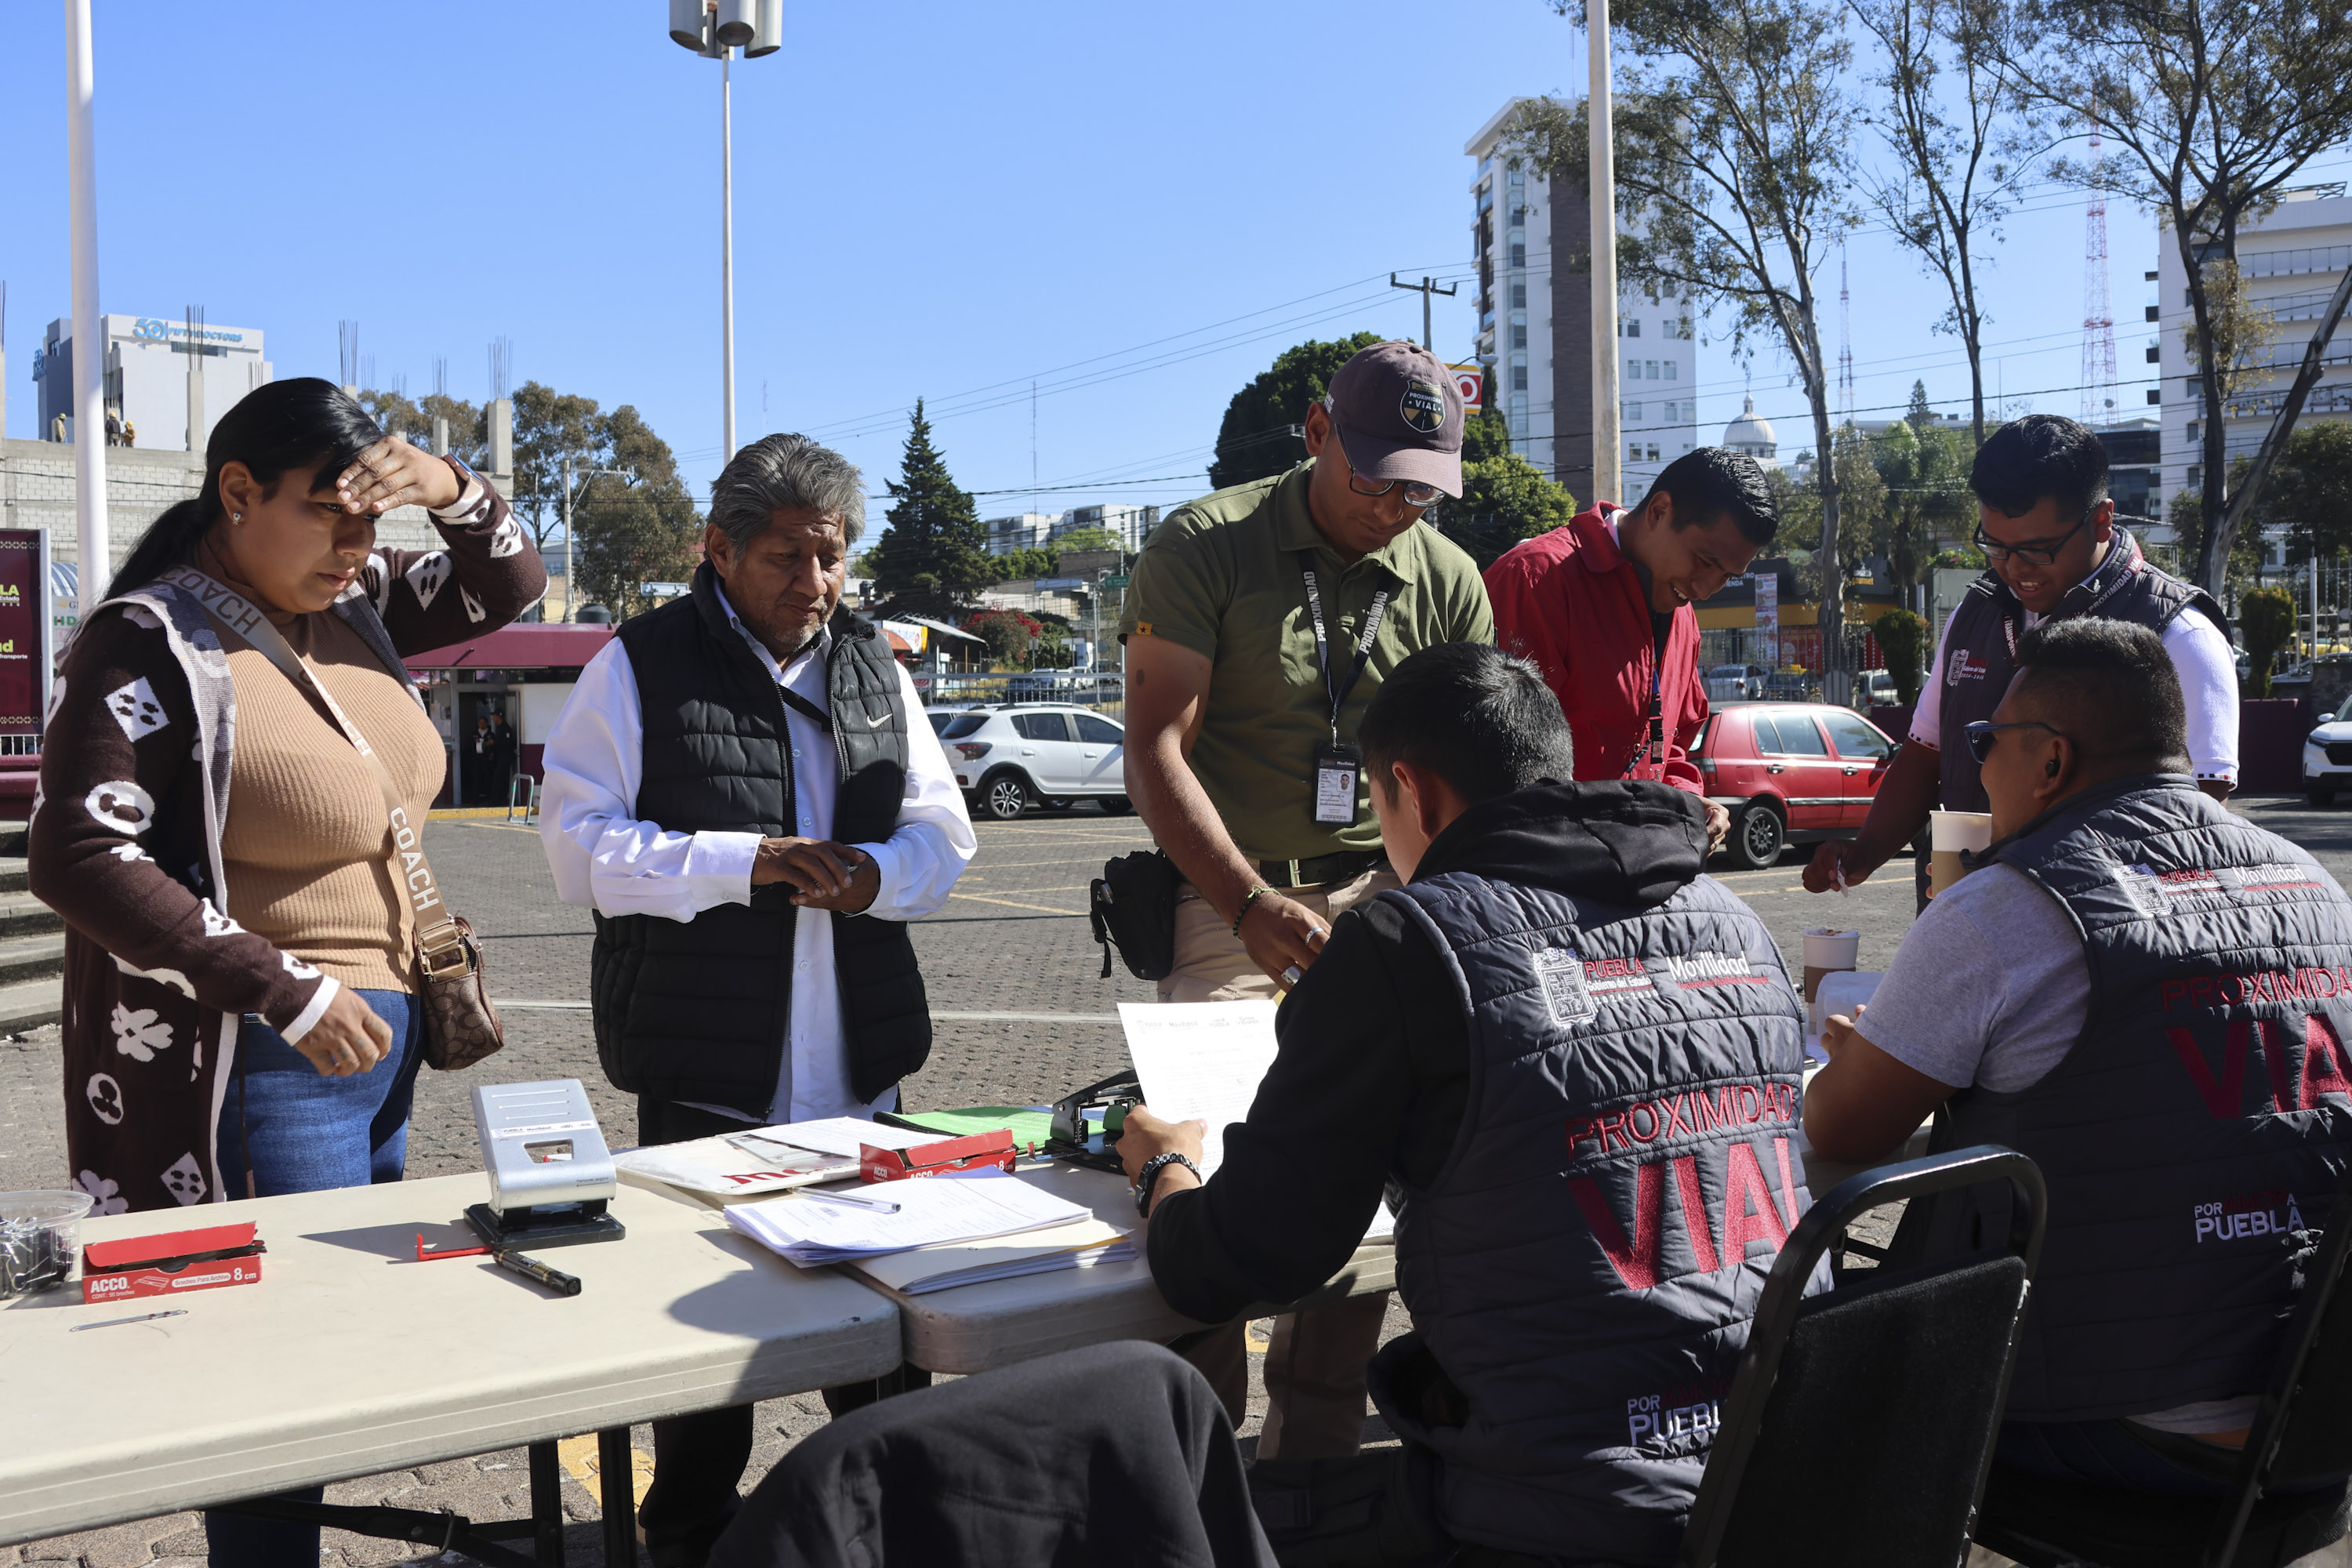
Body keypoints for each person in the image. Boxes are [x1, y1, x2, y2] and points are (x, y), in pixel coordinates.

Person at [1120, 642, 1815, 1564]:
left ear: (1411, 789)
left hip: (1555, 1514)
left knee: (1199, 1524)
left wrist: (1163, 1170)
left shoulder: (1407, 940)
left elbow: (1245, 1255)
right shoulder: (1734, 916)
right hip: (1788, 1477)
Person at [30, 377, 546, 1566]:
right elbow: (75, 852)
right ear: (238, 492)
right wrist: (284, 987)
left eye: (372, 521)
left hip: (386, 1036)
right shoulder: (151, 637)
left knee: (322, 1358)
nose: (357, 546)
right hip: (263, 1054)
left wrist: (447, 486)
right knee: (276, 1376)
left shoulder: (355, 601)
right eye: (329, 513)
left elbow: (505, 583)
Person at [538, 431, 976, 1568]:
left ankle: (885, 1532)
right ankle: (686, 1537)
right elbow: (578, 851)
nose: (815, 584)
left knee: (882, 1340)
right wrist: (747, 863)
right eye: (786, 556)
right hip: (709, 1074)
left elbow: (943, 828)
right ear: (719, 549)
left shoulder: (874, 660)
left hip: (863, 1073)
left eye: (831, 556)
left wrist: (879, 874)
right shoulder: (637, 665)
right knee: (700, 1352)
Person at [1804, 619, 2352, 1495]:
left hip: (2119, 1424)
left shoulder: (2011, 905)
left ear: (2050, 761)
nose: (1978, 764)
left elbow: (1842, 1124)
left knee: (1802, 1398)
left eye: (1987, 741)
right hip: (2317, 1422)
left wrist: (1868, 1052)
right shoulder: (2314, 885)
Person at [1115, 339, 1495, 1459]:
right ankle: (1192, 1452)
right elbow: (1153, 747)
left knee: (1371, 1176)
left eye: (1422, 484)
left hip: (1387, 901)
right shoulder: (1206, 545)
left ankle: (1318, 1455)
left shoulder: (1448, 578)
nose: (1396, 505)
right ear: (1319, 435)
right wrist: (1241, 903)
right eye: (1375, 476)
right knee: (1209, 1167)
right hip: (1228, 894)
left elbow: (1469, 771)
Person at [1805, 413, 2236, 904]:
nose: (2014, 569)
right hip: (1963, 920)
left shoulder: (2179, 633)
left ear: (2101, 520)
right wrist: (1865, 852)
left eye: (2037, 550)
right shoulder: (1977, 612)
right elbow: (1926, 753)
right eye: (1995, 546)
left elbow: (2198, 817)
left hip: (2094, 943)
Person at [1483, 447, 1779, 855]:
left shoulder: (1684, 617)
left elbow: (1671, 746)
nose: (1706, 589)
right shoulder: (1536, 580)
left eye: (1727, 576)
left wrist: (1688, 803)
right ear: (1659, 511)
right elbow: (1499, 762)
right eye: (1704, 561)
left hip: (1633, 868)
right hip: (1540, 876)